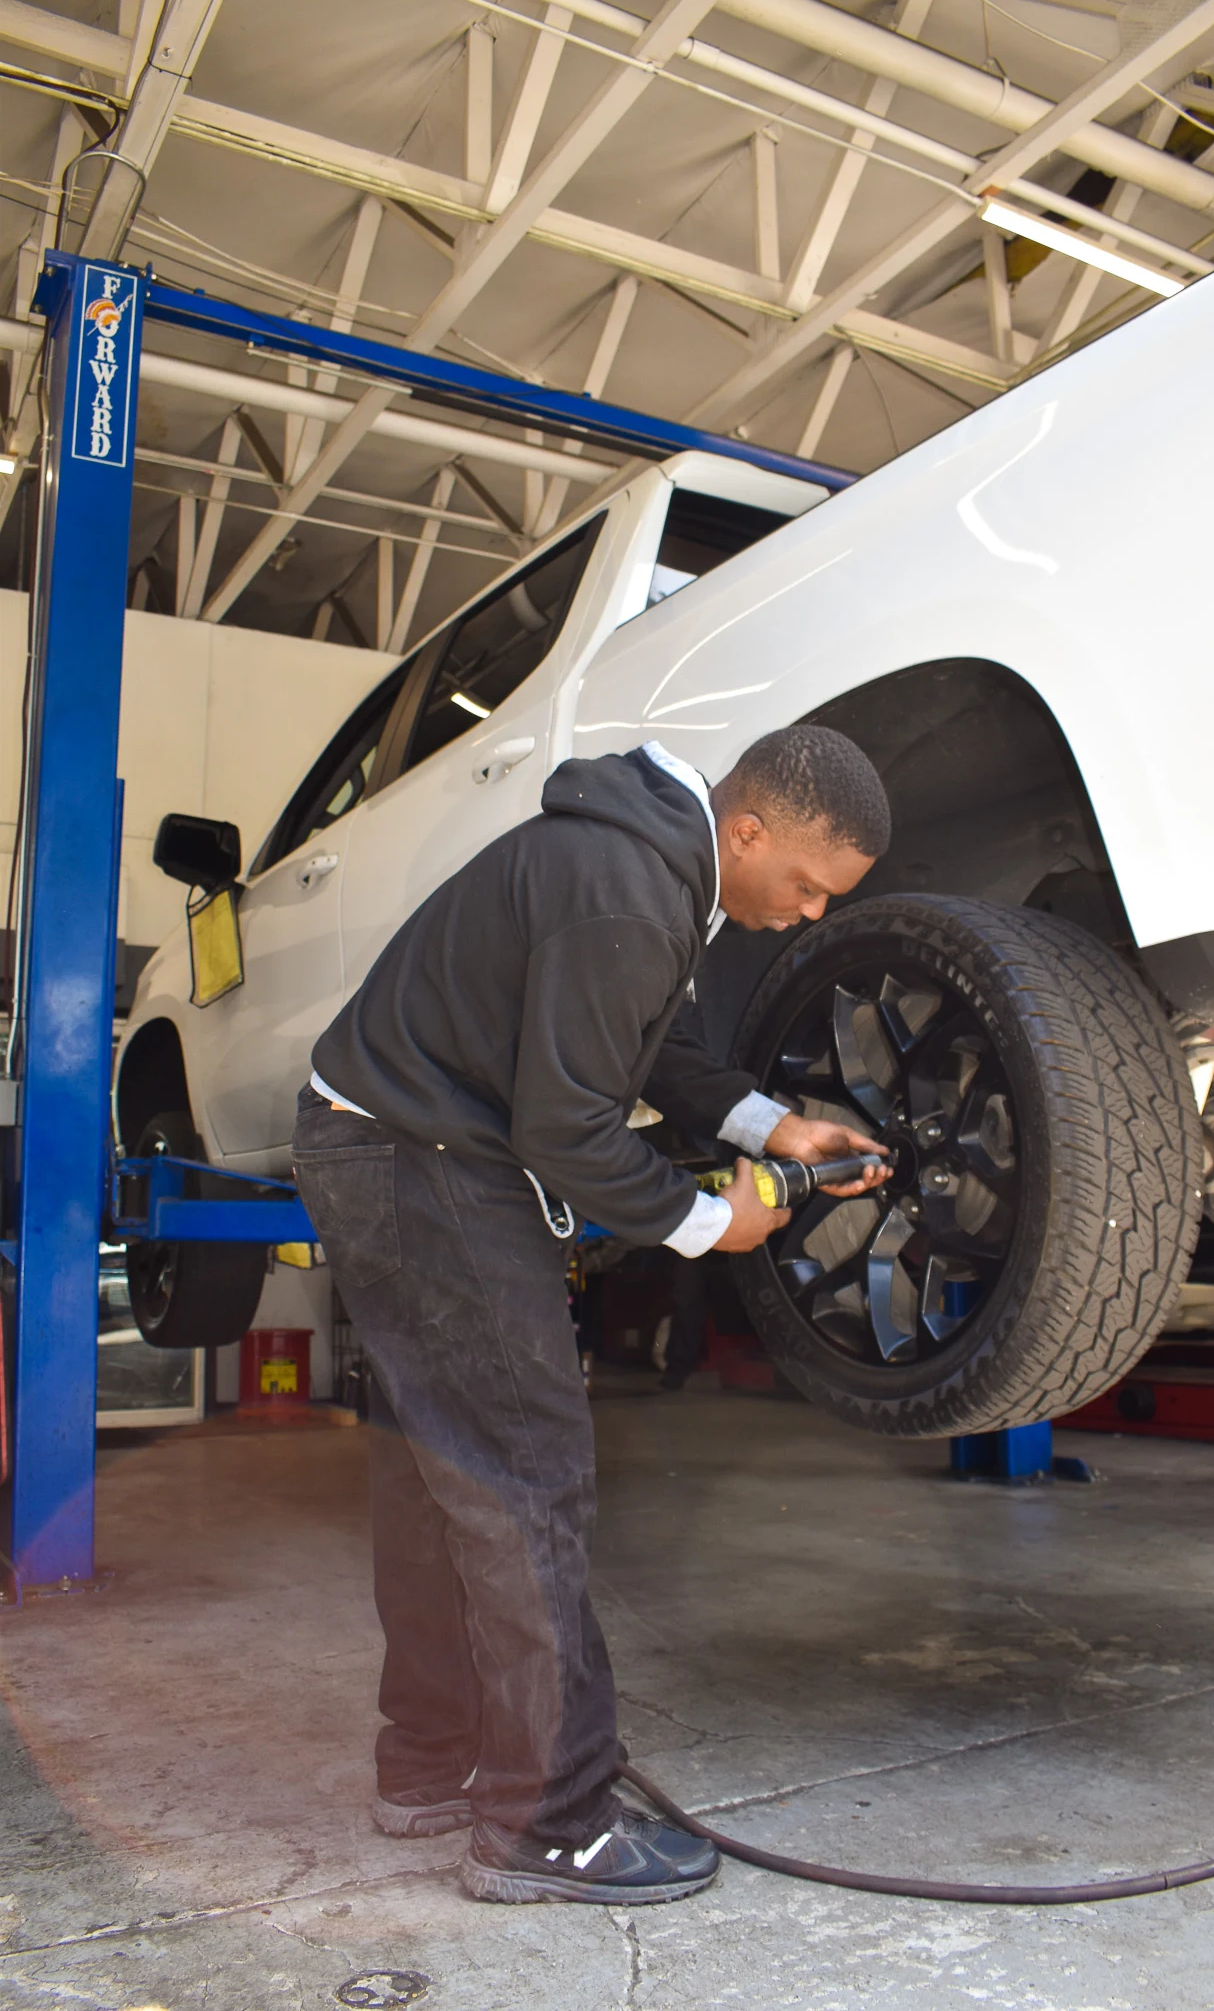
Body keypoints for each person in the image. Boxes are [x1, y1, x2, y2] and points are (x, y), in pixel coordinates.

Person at [291, 727, 892, 1907]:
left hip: (386, 1137)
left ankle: (431, 1762)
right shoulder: (627, 889)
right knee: (526, 1472)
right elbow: (565, 1130)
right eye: (809, 884)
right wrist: (701, 1221)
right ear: (751, 831)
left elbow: (650, 1042)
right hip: (424, 1158)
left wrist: (774, 1127)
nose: (811, 912)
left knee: (438, 1469)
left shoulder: (650, 868)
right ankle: (548, 1820)